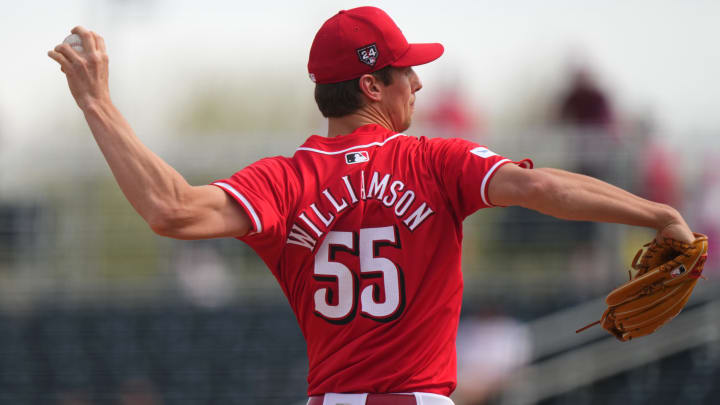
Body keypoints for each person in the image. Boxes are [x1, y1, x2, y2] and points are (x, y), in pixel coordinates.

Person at [48, 6, 695, 405]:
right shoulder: (434, 161)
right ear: (369, 84)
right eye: (403, 70)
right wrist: (659, 213)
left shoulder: (285, 181)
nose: (416, 80)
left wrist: (97, 103)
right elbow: (544, 187)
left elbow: (170, 208)